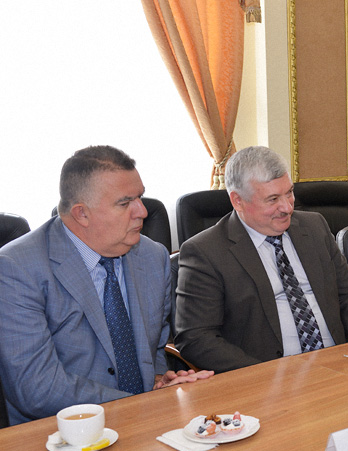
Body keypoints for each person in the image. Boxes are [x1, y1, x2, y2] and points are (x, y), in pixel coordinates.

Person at [0, 146, 211, 426]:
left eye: (140, 197)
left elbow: (156, 348)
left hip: (145, 424)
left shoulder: (152, 256)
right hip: (60, 433)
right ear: (81, 214)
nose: (142, 211)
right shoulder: (17, 268)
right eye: (125, 203)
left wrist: (161, 381)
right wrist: (139, 404)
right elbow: (37, 388)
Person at [175, 146, 348, 373]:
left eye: (289, 193)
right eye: (272, 199)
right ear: (237, 201)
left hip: (339, 363)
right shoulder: (205, 252)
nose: (287, 207)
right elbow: (196, 337)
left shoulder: (314, 227)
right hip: (266, 375)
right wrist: (266, 375)